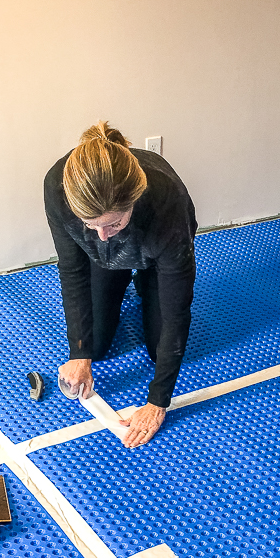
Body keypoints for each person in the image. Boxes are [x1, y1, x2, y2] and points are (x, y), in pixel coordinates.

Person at [44, 121, 197, 448]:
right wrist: (79, 354)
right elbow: (73, 270)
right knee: (93, 346)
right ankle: (120, 269)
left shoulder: (167, 206)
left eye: (113, 222)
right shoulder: (58, 188)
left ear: (134, 202)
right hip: (106, 258)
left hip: (154, 250)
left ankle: (143, 278)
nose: (100, 234)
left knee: (160, 350)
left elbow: (177, 311)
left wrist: (158, 402)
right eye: (90, 224)